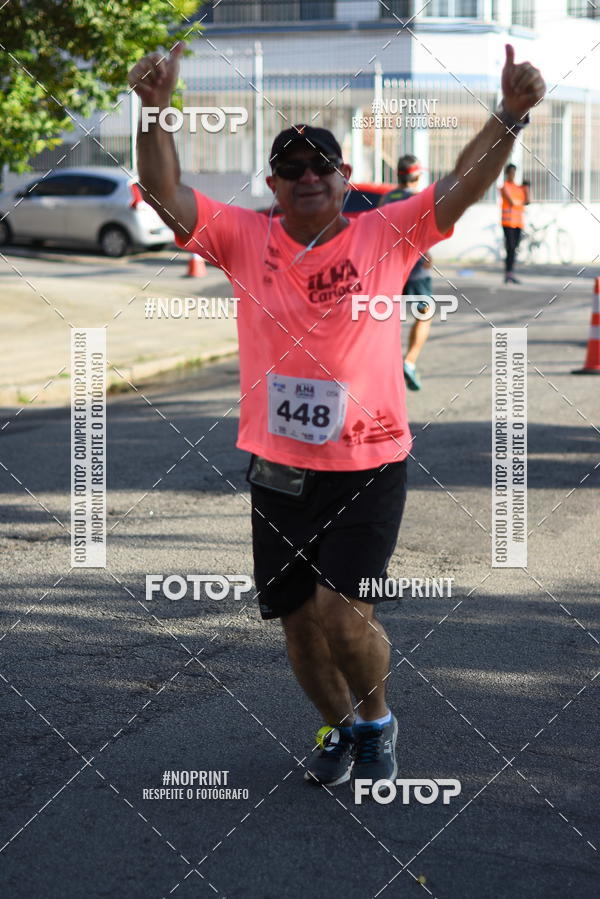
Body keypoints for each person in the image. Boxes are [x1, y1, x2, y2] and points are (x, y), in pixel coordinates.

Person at [128, 43, 544, 794]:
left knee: (340, 611)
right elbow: (163, 192)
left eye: (324, 165)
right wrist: (154, 107)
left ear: (345, 178)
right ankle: (338, 724)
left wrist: (510, 115)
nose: (310, 176)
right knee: (296, 622)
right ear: (275, 185)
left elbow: (465, 180)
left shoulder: (385, 235)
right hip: (280, 467)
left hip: (369, 461)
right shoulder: (243, 238)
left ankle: (378, 718)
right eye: (294, 169)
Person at [379, 155, 432, 391]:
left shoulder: (386, 199)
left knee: (385, 317)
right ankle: (409, 362)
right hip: (414, 267)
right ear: (417, 175)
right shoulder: (419, 199)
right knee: (426, 312)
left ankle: (384, 365)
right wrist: (427, 253)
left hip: (388, 267)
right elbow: (425, 231)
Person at [500, 163, 530, 283]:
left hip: (518, 223)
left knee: (514, 248)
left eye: (514, 172)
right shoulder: (504, 187)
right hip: (507, 223)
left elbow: (528, 201)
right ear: (507, 173)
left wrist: (527, 188)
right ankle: (508, 273)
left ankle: (510, 273)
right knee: (510, 247)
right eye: (511, 172)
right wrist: (521, 199)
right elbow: (512, 201)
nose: (513, 175)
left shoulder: (519, 188)